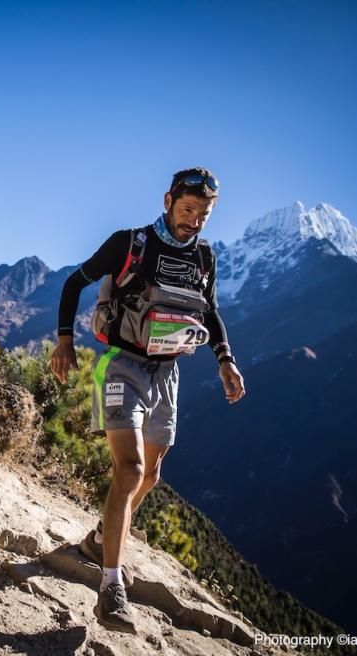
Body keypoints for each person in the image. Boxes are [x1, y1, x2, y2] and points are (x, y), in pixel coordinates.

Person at [48, 167, 246, 632]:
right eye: (187, 209)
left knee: (152, 475)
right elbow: (73, 283)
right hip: (122, 365)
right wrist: (63, 341)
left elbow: (210, 311)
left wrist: (225, 360)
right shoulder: (130, 243)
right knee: (130, 470)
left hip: (168, 373)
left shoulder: (204, 257)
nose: (194, 220)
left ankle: (100, 540)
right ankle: (111, 586)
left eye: (204, 213)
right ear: (168, 201)